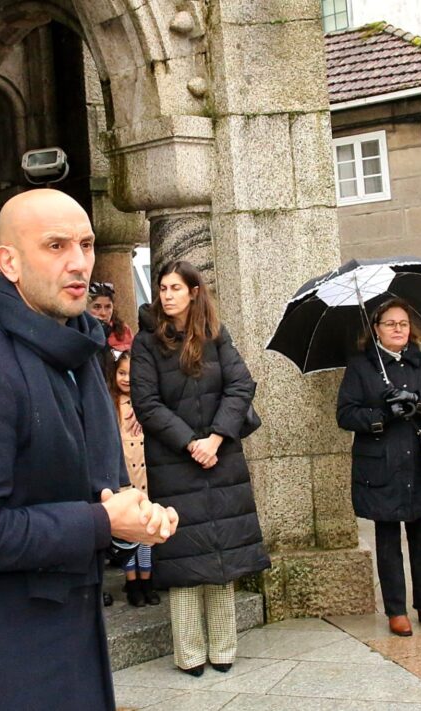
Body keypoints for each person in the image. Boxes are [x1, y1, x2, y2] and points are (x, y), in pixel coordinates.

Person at [0, 189, 178, 711]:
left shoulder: (78, 352)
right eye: (56, 246)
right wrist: (102, 522)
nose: (79, 262)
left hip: (71, 638)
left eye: (86, 244)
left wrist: (131, 518)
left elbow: (93, 490)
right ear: (9, 262)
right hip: (4, 660)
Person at [130, 259, 269, 677]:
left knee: (221, 556)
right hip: (175, 461)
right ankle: (189, 653)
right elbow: (146, 403)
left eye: (175, 288)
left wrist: (217, 437)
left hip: (220, 458)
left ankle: (224, 648)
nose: (167, 295)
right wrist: (191, 442)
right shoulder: (146, 342)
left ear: (193, 292)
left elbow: (241, 384)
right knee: (183, 558)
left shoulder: (215, 333)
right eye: (162, 288)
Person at [337, 298, 421, 637]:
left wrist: (418, 402)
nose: (398, 329)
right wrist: (383, 415)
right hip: (381, 464)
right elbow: (346, 414)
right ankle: (396, 610)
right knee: (387, 537)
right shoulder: (362, 366)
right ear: (377, 329)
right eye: (390, 323)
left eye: (403, 323)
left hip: (418, 461)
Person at [107, 351, 159, 607]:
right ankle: (132, 581)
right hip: (124, 474)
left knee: (146, 529)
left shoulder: (146, 403)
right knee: (129, 532)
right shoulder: (111, 403)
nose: (127, 378)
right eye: (122, 372)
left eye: (131, 373)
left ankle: (147, 579)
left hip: (145, 474)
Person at [88, 281, 134, 351]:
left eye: (108, 307)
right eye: (97, 307)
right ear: (86, 308)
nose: (103, 313)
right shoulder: (80, 330)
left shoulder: (123, 330)